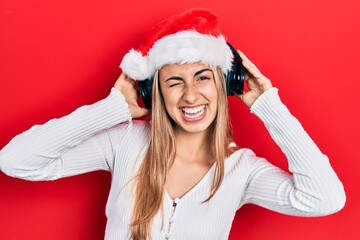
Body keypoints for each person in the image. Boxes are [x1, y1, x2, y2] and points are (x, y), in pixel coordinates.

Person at [0, 8, 345, 240]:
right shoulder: (124, 142)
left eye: (202, 78)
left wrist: (267, 104)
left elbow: (324, 198)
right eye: (174, 82)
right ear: (154, 93)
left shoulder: (242, 170)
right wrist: (112, 109)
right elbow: (16, 160)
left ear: (225, 84)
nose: (191, 96)